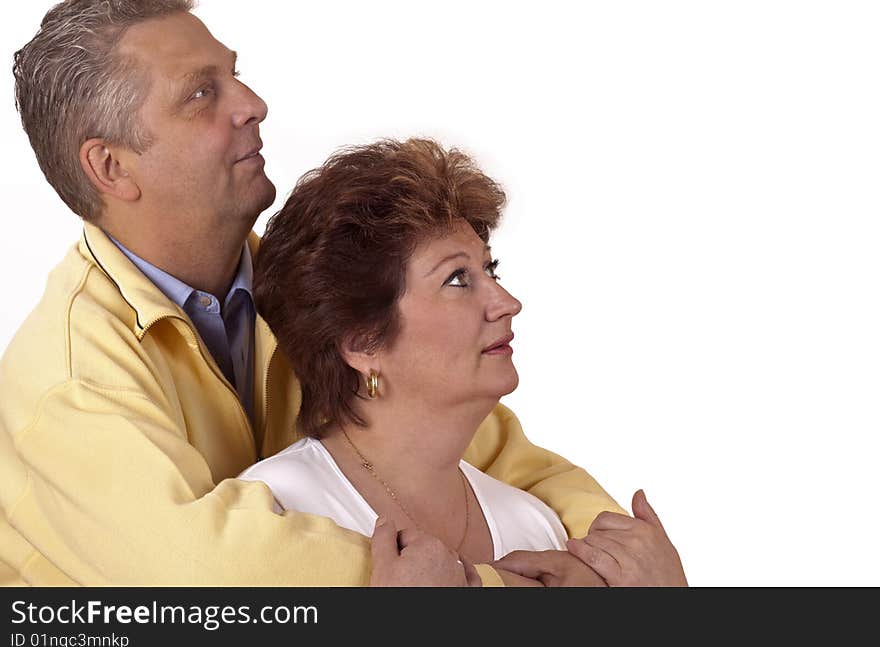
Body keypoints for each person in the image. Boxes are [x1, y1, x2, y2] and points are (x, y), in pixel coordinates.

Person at [0, 0, 627, 587]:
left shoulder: (309, 285)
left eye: (235, 76)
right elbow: (212, 578)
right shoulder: (68, 379)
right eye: (200, 94)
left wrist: (616, 560)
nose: (253, 104)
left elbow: (493, 453)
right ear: (111, 167)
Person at [239, 138, 687, 587]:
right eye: (458, 279)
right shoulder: (279, 510)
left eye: (491, 271)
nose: (507, 304)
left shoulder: (536, 526)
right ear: (363, 342)